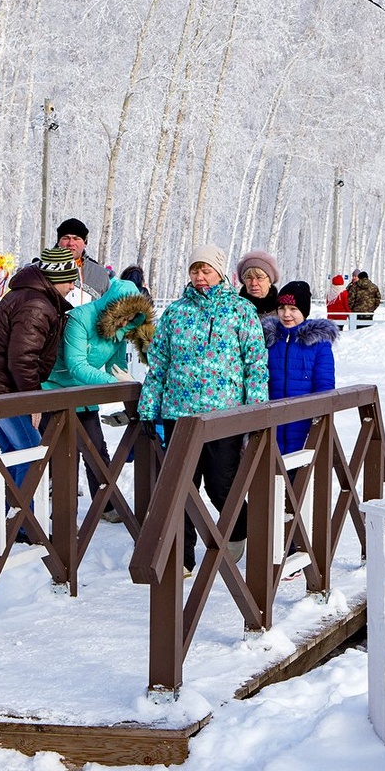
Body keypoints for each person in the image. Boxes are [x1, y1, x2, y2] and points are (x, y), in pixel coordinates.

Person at [136, 244, 268, 574]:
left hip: (223, 415)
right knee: (181, 486)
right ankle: (183, 556)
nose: (200, 276)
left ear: (220, 272)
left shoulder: (240, 311)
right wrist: (149, 407)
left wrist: (255, 412)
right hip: (179, 413)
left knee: (221, 485)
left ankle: (239, 530)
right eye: (195, 269)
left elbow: (255, 364)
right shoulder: (176, 312)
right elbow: (159, 363)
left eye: (206, 269)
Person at [0, 246, 77, 488]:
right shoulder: (37, 305)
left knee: (15, 454)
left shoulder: (32, 297)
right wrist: (33, 399)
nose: (72, 286)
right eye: (69, 280)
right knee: (31, 451)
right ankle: (21, 522)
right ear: (56, 278)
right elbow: (23, 358)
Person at [41, 277, 155, 512]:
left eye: (132, 318)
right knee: (60, 455)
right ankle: (58, 513)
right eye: (124, 316)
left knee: (96, 451)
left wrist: (131, 377)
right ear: (112, 307)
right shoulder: (80, 318)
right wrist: (113, 383)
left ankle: (105, 506)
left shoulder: (122, 329)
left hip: (86, 398)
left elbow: (116, 364)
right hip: (56, 391)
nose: (126, 322)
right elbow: (76, 364)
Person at [261, 281, 337, 455]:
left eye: (293, 309)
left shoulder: (318, 344)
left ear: (304, 311)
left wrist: (319, 421)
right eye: (282, 308)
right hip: (271, 423)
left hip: (303, 425)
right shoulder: (268, 340)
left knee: (300, 475)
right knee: (270, 474)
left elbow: (324, 385)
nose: (286, 314)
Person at [53, 217, 111, 298]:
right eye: (66, 238)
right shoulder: (40, 270)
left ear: (85, 243)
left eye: (76, 239)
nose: (71, 243)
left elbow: (108, 306)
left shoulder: (100, 274)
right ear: (58, 242)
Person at [236, 250, 280, 316]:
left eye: (259, 278)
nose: (254, 283)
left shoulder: (282, 310)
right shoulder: (234, 308)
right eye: (248, 278)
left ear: (270, 281)